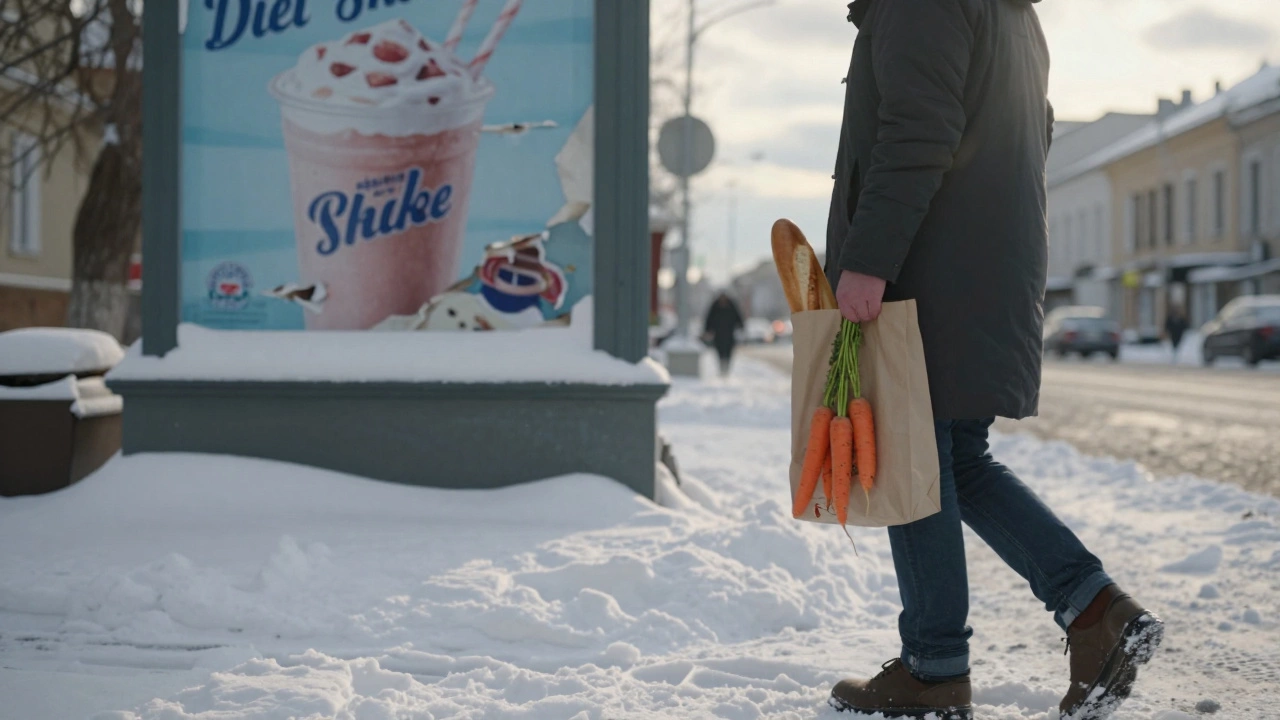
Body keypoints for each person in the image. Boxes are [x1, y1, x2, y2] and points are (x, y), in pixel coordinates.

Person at [823, 1, 1163, 719]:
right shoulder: (1007, 10)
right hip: (985, 266)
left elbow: (918, 132)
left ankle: (933, 668)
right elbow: (1026, 131)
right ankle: (1096, 610)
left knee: (914, 462)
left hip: (931, 273)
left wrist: (867, 262)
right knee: (959, 461)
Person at [702, 292, 744, 377]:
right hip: (718, 335)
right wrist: (707, 330)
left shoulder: (731, 306)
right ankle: (722, 369)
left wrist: (740, 327)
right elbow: (709, 319)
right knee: (719, 352)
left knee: (728, 352)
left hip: (729, 334)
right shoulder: (715, 307)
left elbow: (738, 318)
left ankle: (726, 369)